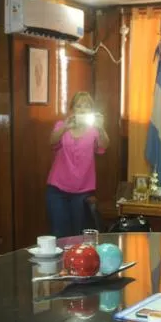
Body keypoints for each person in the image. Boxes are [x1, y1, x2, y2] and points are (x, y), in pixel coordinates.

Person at [46, 91, 110, 238]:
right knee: (59, 234)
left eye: (87, 106)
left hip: (81, 192)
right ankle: (61, 262)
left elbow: (104, 146)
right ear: (72, 109)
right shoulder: (62, 125)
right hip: (57, 189)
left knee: (78, 235)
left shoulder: (94, 130)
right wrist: (65, 128)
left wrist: (101, 127)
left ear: (91, 111)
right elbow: (52, 141)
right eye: (78, 106)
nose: (82, 109)